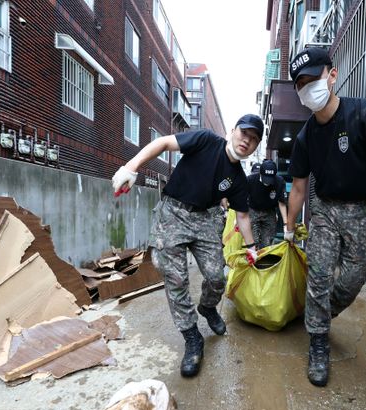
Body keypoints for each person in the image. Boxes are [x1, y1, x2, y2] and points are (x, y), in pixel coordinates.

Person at [284, 47, 366, 387]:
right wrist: (289, 228)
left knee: (354, 277)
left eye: (312, 78)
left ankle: (319, 314)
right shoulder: (305, 138)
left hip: (363, 208)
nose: (307, 88)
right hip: (326, 208)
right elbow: (299, 188)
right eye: (300, 84)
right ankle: (317, 341)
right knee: (319, 273)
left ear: (332, 74)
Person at [111, 114, 264, 378]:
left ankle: (207, 307)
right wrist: (131, 167)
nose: (246, 141)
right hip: (173, 212)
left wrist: (252, 248)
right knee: (177, 279)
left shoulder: (239, 179)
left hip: (205, 218)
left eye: (253, 139)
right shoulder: (205, 140)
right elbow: (162, 144)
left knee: (218, 277)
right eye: (244, 134)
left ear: (256, 146)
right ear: (233, 130)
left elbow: (243, 216)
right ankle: (192, 337)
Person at [246, 159, 288, 248]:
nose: (267, 182)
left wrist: (285, 224)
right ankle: (253, 258)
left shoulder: (279, 182)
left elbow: (282, 203)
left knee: (267, 242)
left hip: (269, 211)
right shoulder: (250, 180)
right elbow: (242, 199)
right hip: (253, 210)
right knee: (254, 241)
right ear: (260, 174)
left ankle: (264, 259)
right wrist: (240, 216)